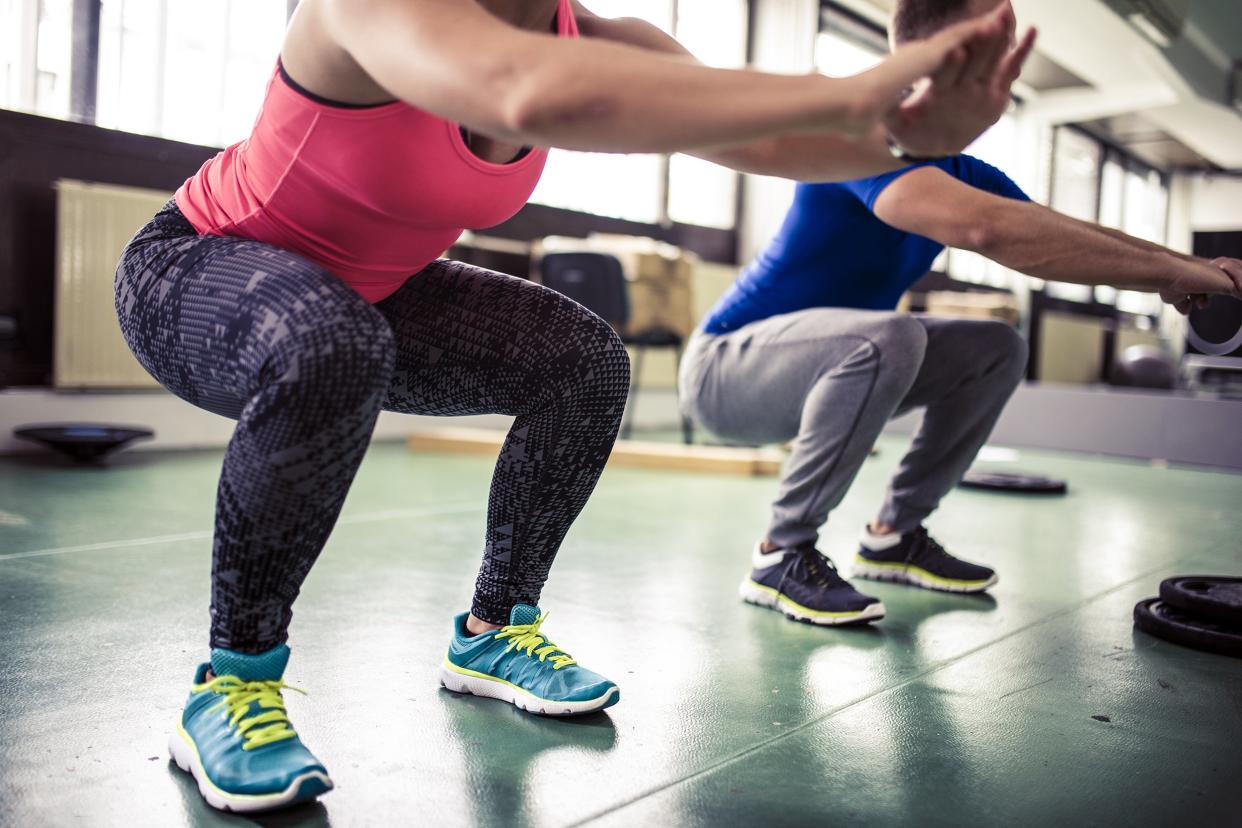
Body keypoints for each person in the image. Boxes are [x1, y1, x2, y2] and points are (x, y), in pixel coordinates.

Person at [115, 0, 1034, 812]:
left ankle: (493, 632)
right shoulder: (374, 7)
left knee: (584, 361)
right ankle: (230, 683)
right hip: (194, 269)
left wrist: (912, 134)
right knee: (331, 344)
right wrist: (872, 85)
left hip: (369, 292)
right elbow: (521, 88)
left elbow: (763, 141)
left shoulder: (594, 36)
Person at [679, 0, 1242, 629]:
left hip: (822, 363)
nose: (1004, 88)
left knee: (995, 347)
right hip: (724, 370)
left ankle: (893, 537)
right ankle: (779, 555)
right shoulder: (854, 139)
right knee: (889, 336)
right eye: (995, 64)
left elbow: (1053, 235)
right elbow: (986, 228)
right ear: (953, 64)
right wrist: (1182, 273)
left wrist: (1185, 268)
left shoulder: (963, 173)